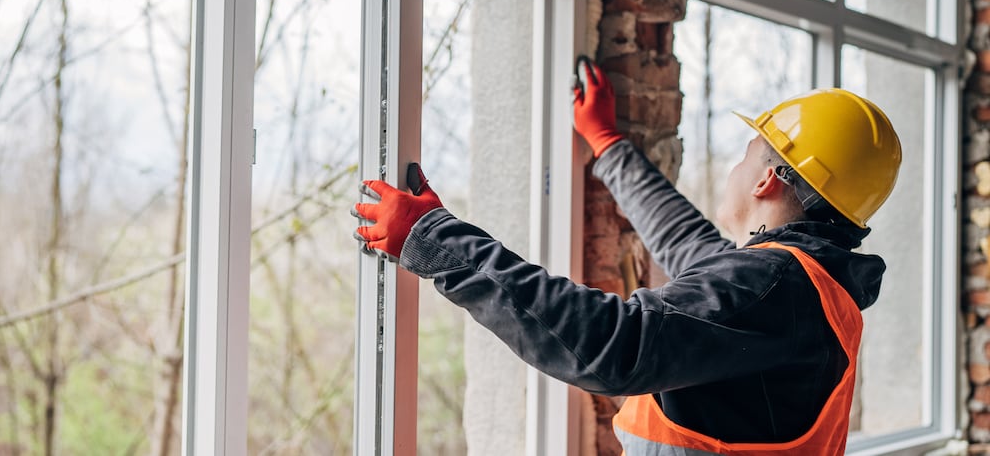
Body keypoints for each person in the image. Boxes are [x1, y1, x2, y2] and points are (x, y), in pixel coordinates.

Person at [351, 59, 901, 454]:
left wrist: (436, 239)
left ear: (766, 179)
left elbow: (612, 345)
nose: (735, 168)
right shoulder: (810, 287)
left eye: (746, 154)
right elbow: (688, 244)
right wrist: (608, 144)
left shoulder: (773, 285)